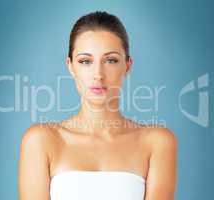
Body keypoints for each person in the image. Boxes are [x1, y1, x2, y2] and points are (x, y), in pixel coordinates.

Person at [18, 11, 178, 200]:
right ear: (70, 66)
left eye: (110, 60)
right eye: (85, 61)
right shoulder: (41, 140)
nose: (98, 74)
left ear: (127, 65)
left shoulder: (157, 142)